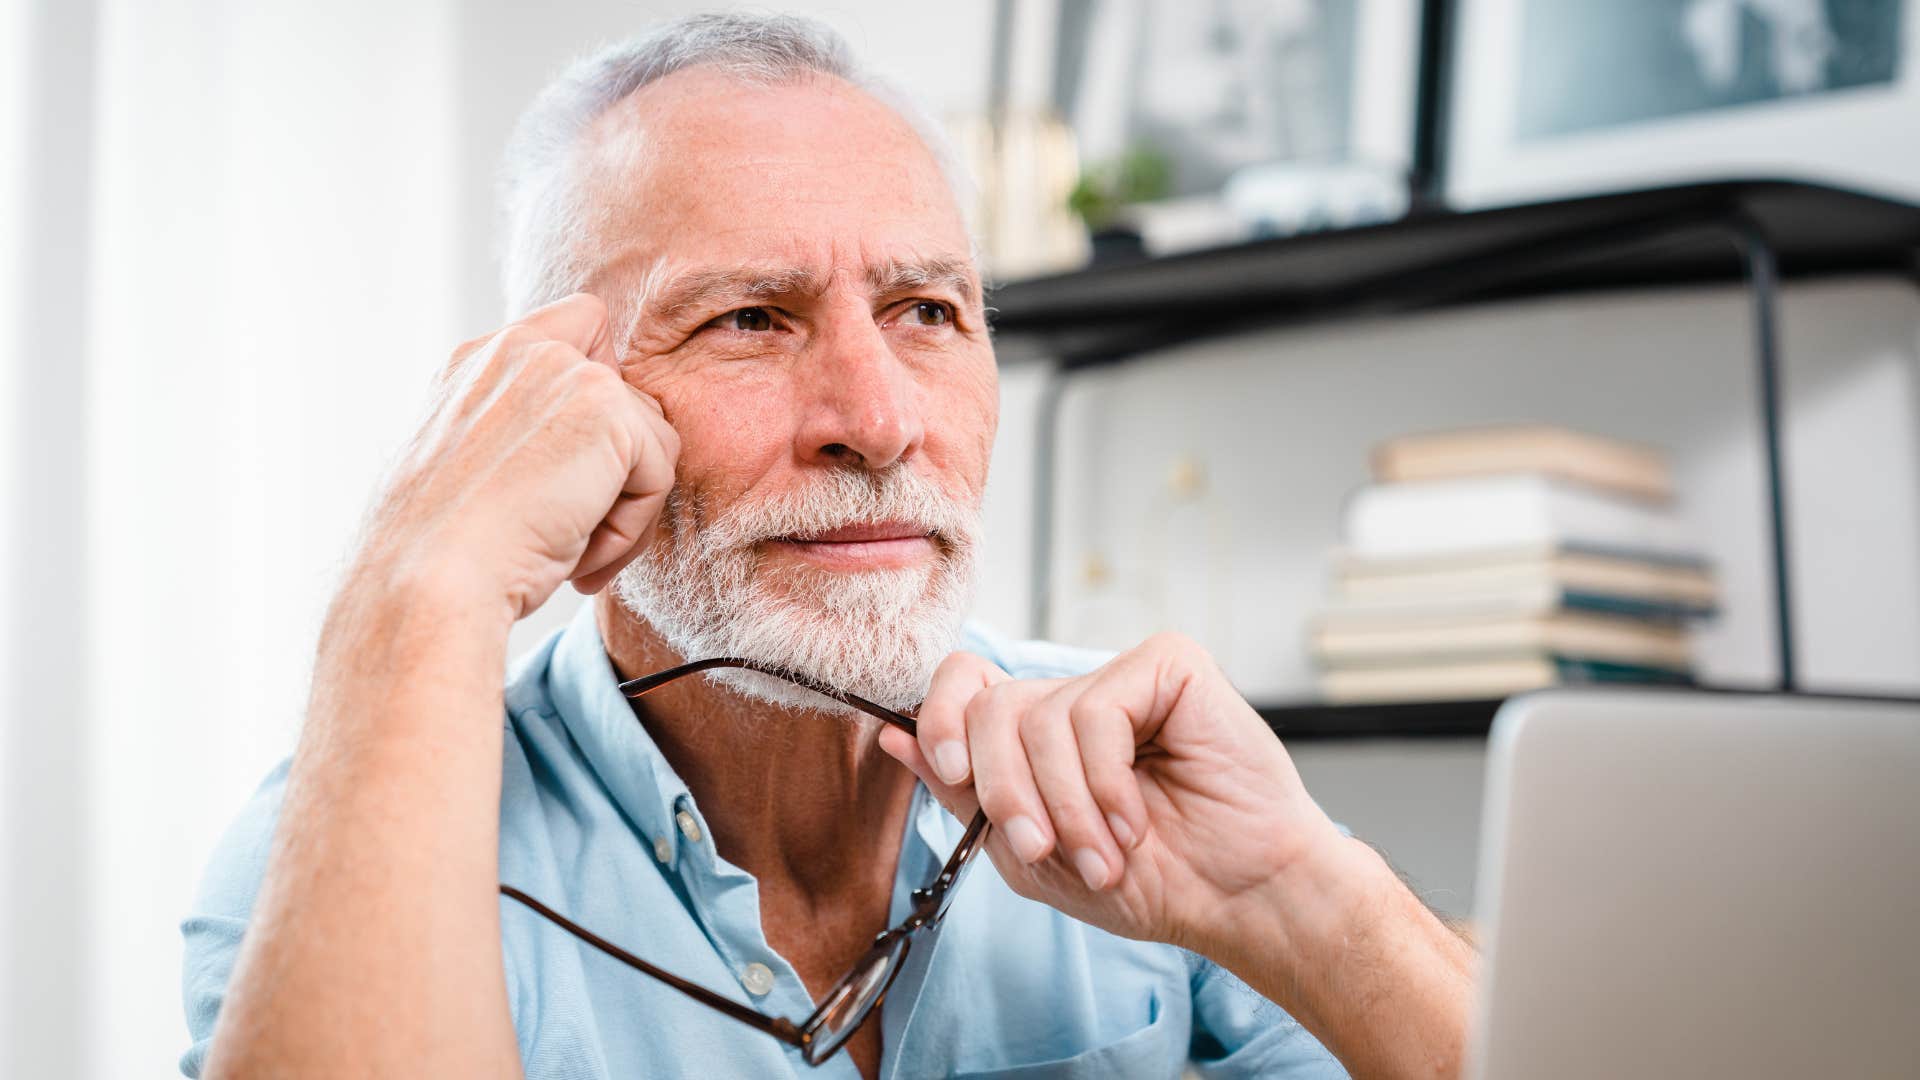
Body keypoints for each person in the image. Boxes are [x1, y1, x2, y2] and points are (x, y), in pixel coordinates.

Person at [180, 13, 1473, 1079]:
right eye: (750, 319)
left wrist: (1301, 904)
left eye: (925, 310)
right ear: (555, 401)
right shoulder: (335, 858)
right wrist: (420, 584)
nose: (880, 421)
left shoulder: (1144, 789)